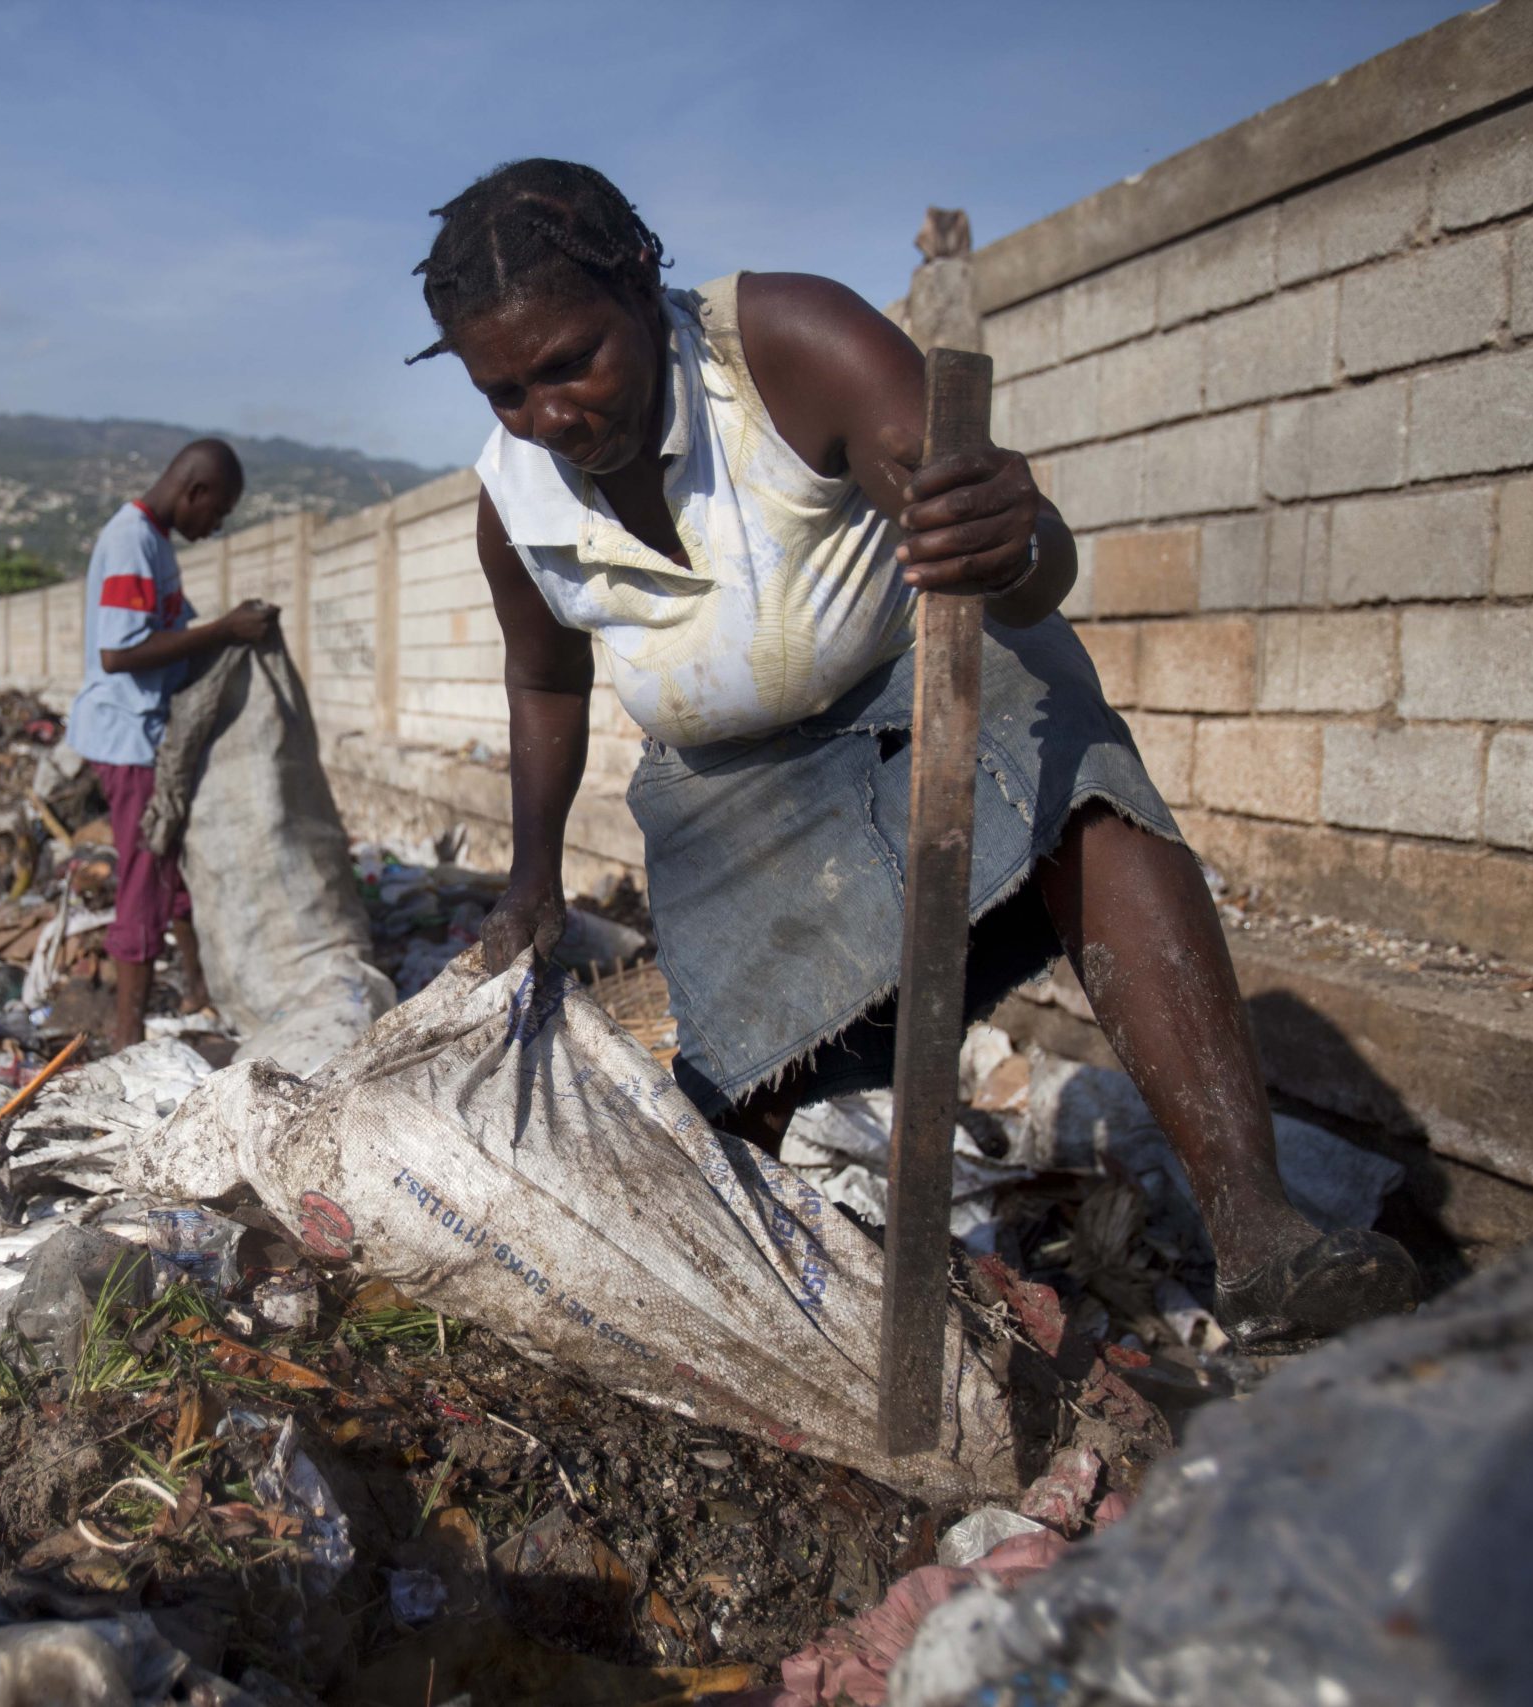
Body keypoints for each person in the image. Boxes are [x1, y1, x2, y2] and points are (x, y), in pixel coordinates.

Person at [408, 159, 1417, 1351]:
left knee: (1078, 784)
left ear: (640, 281)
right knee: (731, 1094)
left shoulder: (785, 345)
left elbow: (1017, 555)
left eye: (572, 361)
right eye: (507, 390)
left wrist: (1013, 539)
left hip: (922, 695)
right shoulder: (514, 496)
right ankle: (745, 1331)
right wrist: (531, 882)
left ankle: (1257, 1234)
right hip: (725, 790)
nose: (550, 414)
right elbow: (542, 683)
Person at [65, 438, 278, 1047]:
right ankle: (126, 1036)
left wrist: (231, 629)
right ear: (196, 492)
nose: (216, 527)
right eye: (219, 512)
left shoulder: (154, 543)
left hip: (144, 732)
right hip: (126, 736)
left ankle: (199, 990)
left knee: (170, 859)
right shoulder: (132, 541)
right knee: (145, 872)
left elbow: (179, 631)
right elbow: (121, 651)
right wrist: (224, 629)